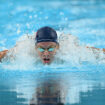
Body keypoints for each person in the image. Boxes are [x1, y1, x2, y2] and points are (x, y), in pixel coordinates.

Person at [0, 26, 105, 64]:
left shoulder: (68, 50)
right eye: (41, 49)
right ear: (35, 48)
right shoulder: (26, 51)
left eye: (50, 48)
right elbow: (5, 54)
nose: (46, 53)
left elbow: (93, 52)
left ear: (57, 47)